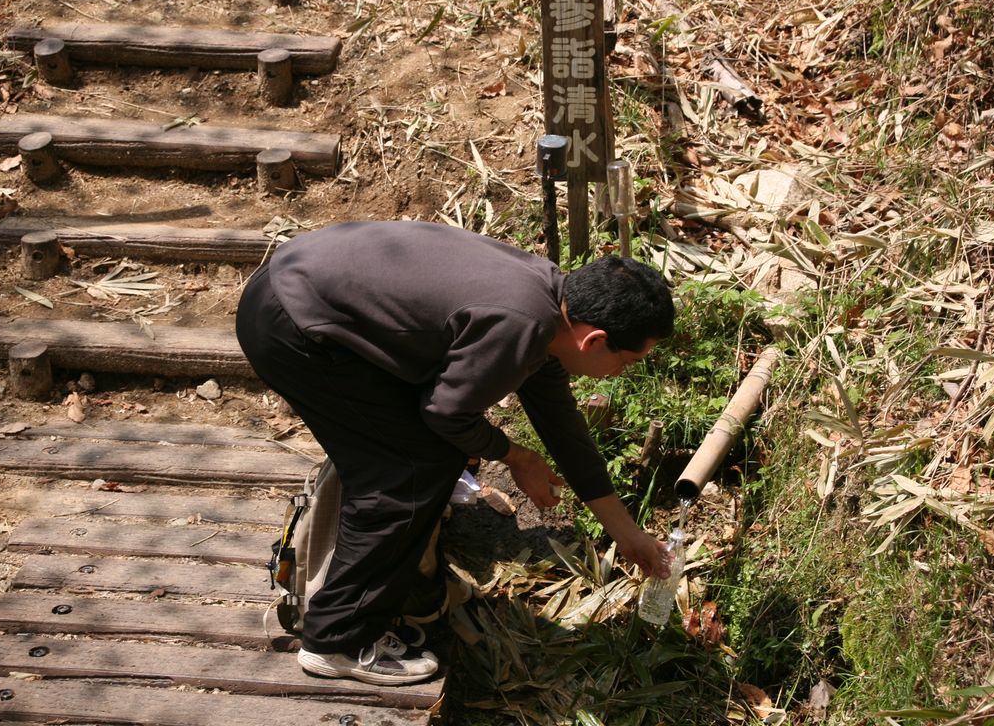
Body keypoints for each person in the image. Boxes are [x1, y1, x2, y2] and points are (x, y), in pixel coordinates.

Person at [235, 220, 675, 686]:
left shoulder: (550, 306)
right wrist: (517, 456)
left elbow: (564, 430)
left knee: (430, 458)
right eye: (626, 362)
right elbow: (445, 416)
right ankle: (337, 640)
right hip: (293, 326)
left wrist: (627, 535)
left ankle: (402, 589)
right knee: (406, 472)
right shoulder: (520, 323)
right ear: (595, 340)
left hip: (299, 286)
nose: (620, 373)